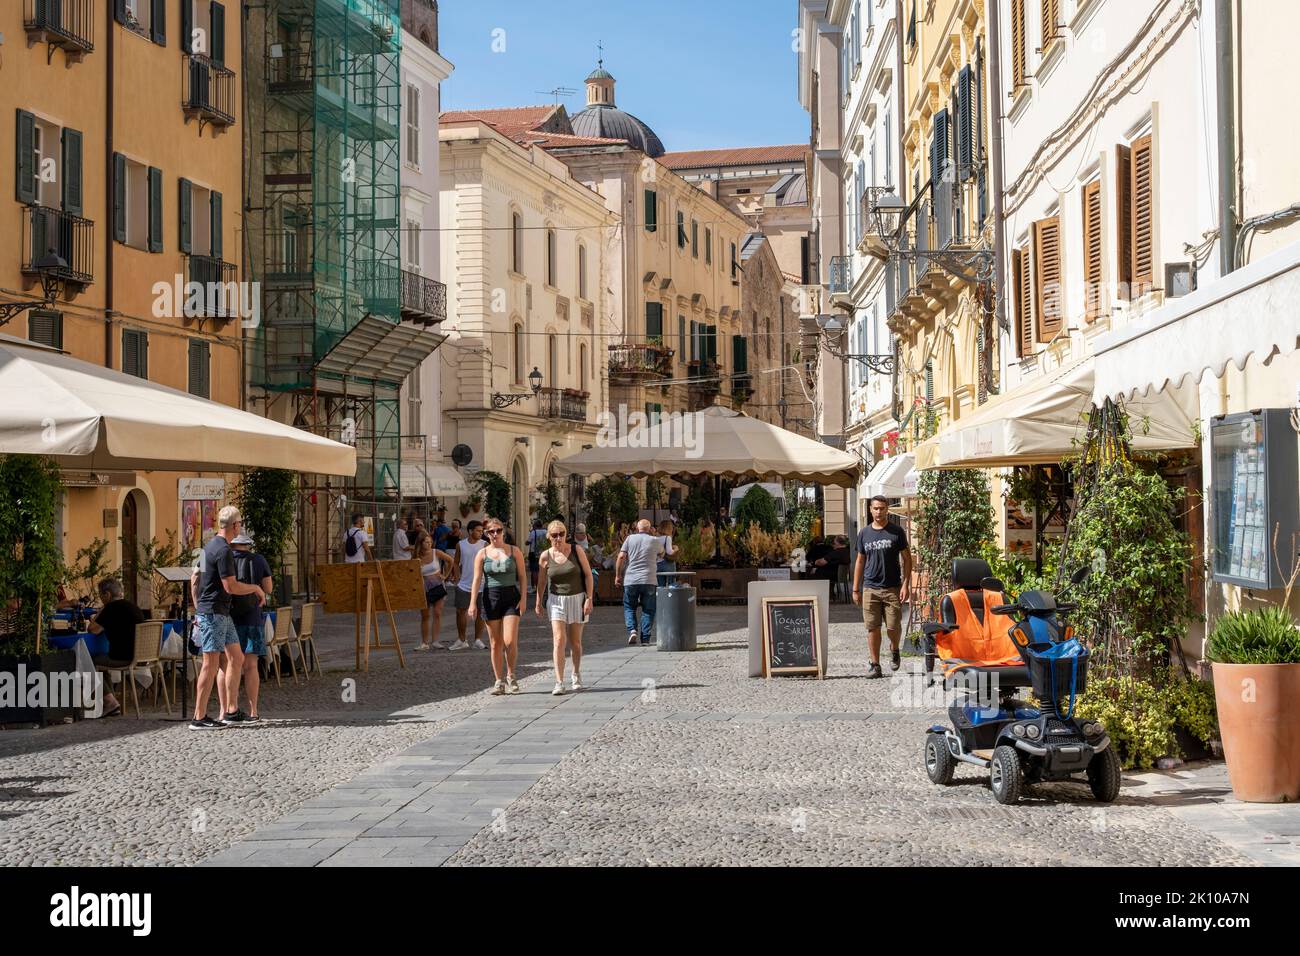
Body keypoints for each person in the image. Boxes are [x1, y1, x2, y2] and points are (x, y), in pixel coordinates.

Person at [189, 506, 265, 729]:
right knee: (210, 664)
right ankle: (199, 717)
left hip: (218, 611)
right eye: (240, 523)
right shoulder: (223, 551)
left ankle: (231, 711)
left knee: (237, 657)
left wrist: (197, 608)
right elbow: (230, 586)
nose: (240, 526)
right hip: (214, 612)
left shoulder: (208, 546)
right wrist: (255, 589)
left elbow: (194, 579)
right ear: (235, 526)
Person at [852, 496, 913, 678]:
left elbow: (907, 558)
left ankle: (894, 649)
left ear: (887, 509)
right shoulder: (864, 533)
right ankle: (875, 664)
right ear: (870, 510)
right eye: (876, 508)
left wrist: (905, 584)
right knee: (873, 627)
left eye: (882, 508)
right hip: (870, 587)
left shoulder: (896, 532)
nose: (879, 512)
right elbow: (860, 560)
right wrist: (856, 588)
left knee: (893, 627)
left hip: (892, 587)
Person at [467, 520, 526, 695]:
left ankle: (511, 674)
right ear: (486, 533)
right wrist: (472, 603)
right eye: (491, 531)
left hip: (510, 596)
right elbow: (477, 579)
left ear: (503, 532)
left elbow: (522, 577)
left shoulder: (515, 551)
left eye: (498, 530)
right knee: (495, 643)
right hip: (490, 596)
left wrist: (523, 599)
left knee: (509, 640)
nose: (495, 534)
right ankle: (498, 681)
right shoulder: (482, 553)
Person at [536, 520, 594, 696]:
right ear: (549, 537)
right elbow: (541, 581)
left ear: (566, 534)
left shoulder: (576, 550)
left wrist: (589, 599)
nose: (558, 538)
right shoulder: (545, 556)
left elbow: (588, 575)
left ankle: (575, 674)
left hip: (577, 599)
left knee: (575, 641)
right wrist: (538, 601)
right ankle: (559, 681)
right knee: (559, 640)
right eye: (554, 535)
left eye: (561, 534)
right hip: (556, 600)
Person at [225, 534, 272, 723]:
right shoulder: (258, 559)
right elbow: (268, 588)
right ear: (248, 544)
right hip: (253, 616)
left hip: (230, 617)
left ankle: (228, 708)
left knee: (229, 665)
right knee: (251, 666)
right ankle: (253, 711)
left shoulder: (225, 560)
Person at [85, 578, 142, 718]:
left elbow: (92, 629)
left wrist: (102, 610)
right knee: (100, 661)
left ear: (107, 595)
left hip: (122, 657)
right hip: (141, 656)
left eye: (101, 595)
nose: (101, 599)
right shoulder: (132, 606)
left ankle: (109, 701)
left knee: (88, 661)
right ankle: (111, 702)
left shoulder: (111, 608)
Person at [615, 519, 664, 646]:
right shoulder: (655, 540)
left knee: (629, 607)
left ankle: (632, 630)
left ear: (637, 528)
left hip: (631, 579)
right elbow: (662, 553)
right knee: (649, 609)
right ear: (650, 529)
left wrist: (618, 575)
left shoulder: (630, 539)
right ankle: (646, 638)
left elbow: (621, 557)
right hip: (649, 580)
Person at [449, 520, 488, 650]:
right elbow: (455, 562)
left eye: (482, 531)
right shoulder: (461, 544)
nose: (481, 533)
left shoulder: (485, 544)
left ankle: (478, 639)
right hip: (464, 584)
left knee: (480, 612)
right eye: (478, 531)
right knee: (461, 611)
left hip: (481, 585)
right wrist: (457, 578)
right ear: (470, 531)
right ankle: (461, 639)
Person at [414, 530, 454, 651]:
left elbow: (450, 560)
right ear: (420, 543)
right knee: (425, 615)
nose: (429, 544)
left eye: (430, 542)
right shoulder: (416, 556)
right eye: (426, 542)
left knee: (437, 613)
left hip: (438, 585)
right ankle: (425, 642)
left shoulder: (436, 552)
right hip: (424, 587)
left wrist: (445, 576)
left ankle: (435, 641)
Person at [525, 519, 547, 593]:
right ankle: (543, 587)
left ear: (535, 526)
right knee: (543, 570)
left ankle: (535, 587)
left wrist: (526, 542)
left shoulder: (533, 532)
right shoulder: (546, 532)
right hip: (544, 552)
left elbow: (528, 542)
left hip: (533, 553)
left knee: (534, 571)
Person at [656, 518, 677, 588]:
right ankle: (671, 598)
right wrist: (676, 549)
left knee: (660, 586)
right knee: (672, 585)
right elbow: (669, 552)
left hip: (658, 564)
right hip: (667, 564)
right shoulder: (667, 538)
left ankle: (661, 598)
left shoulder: (656, 538)